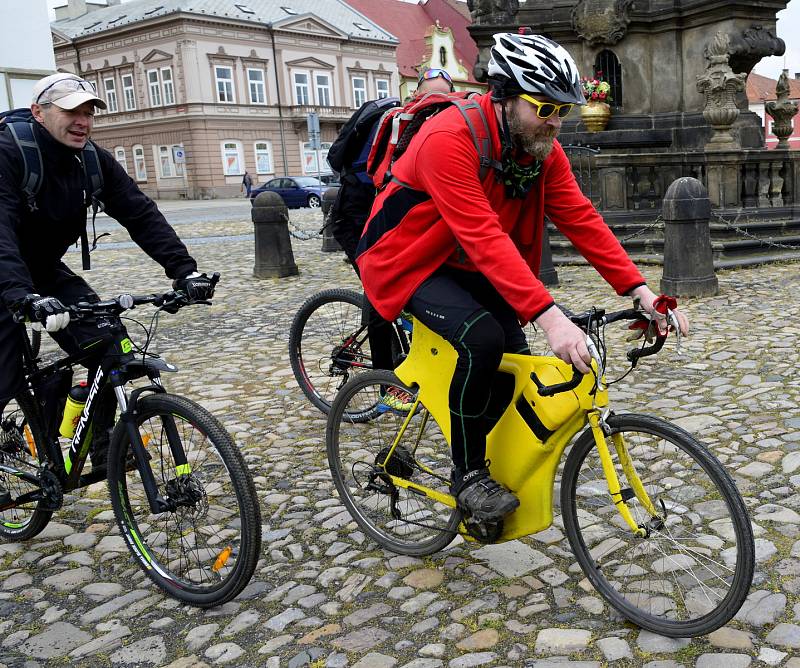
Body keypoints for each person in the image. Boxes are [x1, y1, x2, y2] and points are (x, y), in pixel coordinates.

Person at [356, 32, 689, 524]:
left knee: (512, 367)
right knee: (483, 340)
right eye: (543, 107)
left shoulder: (540, 149)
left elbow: (580, 218)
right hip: (409, 260)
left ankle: (467, 440)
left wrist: (641, 292)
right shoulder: (447, 140)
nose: (554, 122)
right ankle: (467, 475)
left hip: (472, 262)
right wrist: (551, 317)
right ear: (505, 96)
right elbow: (484, 235)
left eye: (563, 110)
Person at [0, 72, 215, 506]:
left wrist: (184, 271)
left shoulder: (93, 161)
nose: (82, 121)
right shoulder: (9, 151)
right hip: (5, 271)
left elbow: (139, 212)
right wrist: (21, 297)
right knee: (3, 374)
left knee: (108, 341)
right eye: (70, 111)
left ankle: (101, 447)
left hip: (42, 269)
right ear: (39, 113)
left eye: (88, 112)